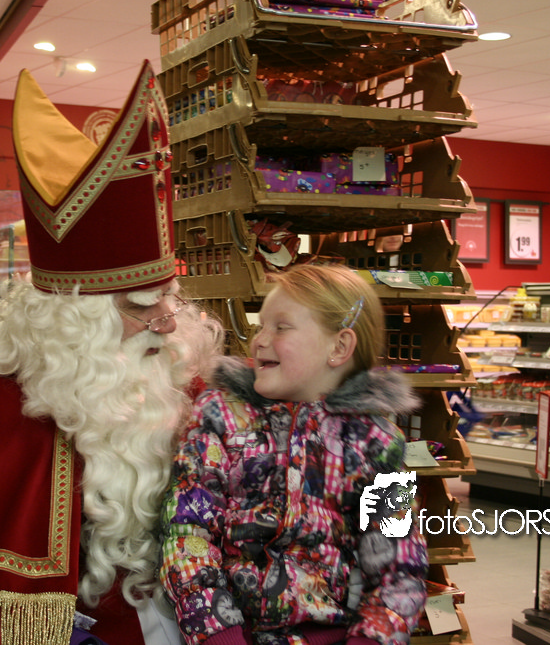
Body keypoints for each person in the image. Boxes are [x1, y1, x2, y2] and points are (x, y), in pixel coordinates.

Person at [0, 60, 224, 645]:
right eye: (141, 306)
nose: (168, 322)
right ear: (74, 321)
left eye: (170, 297)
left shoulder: (190, 386)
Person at [159, 263, 429, 645]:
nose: (259, 340)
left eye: (281, 327)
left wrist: (370, 639)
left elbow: (399, 561)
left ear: (339, 347)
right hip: (233, 635)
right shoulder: (219, 418)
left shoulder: (376, 444)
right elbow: (187, 533)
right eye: (260, 326)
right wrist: (219, 633)